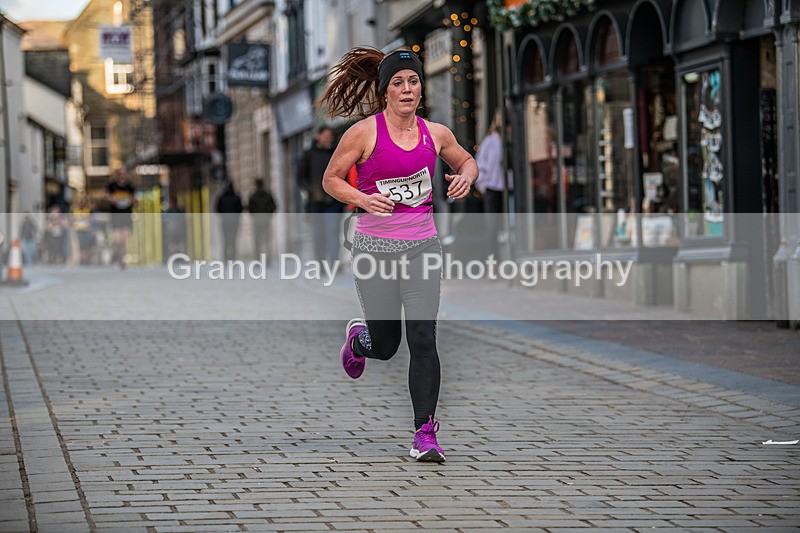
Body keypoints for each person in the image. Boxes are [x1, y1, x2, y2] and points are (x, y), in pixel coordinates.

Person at [320, 47, 478, 462]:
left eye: (413, 81)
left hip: (422, 248)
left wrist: (465, 177)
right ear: (385, 91)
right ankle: (361, 340)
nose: (407, 89)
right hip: (374, 251)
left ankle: (425, 433)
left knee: (423, 338)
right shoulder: (363, 133)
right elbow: (330, 179)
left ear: (420, 89)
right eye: (397, 83)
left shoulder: (436, 133)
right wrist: (363, 200)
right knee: (387, 346)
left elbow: (467, 160)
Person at [297, 125, 343, 264]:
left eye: (331, 136)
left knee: (333, 231)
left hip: (334, 201)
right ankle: (321, 263)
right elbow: (300, 177)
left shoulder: (337, 153)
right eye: (326, 136)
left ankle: (334, 263)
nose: (329, 138)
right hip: (315, 202)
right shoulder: (308, 154)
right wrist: (310, 190)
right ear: (318, 136)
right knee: (318, 234)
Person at [474, 111, 513, 262]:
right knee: (492, 228)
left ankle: (511, 259)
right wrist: (483, 185)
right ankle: (493, 262)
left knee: (511, 225)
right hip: (492, 189)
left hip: (509, 189)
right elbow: (480, 166)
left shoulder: (512, 141)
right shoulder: (490, 142)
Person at [105, 167, 136, 268]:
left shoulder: (130, 186)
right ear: (118, 175)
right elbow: (105, 196)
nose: (122, 176)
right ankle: (116, 254)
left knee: (125, 239)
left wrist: (133, 200)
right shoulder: (112, 186)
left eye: (124, 173)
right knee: (118, 240)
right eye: (120, 174)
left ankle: (122, 260)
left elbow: (135, 198)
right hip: (116, 215)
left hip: (126, 215)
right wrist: (111, 199)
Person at [247, 178, 277, 264]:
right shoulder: (268, 195)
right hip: (266, 220)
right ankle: (267, 260)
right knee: (267, 241)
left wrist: (255, 215)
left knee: (257, 241)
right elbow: (274, 206)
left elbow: (250, 208)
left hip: (257, 221)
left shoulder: (253, 196)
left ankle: (258, 260)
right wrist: (268, 214)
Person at [215, 180, 243, 262]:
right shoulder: (236, 197)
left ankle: (225, 258)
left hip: (225, 221)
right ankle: (232, 258)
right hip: (234, 222)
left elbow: (218, 209)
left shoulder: (222, 197)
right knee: (233, 241)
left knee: (225, 240)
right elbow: (240, 209)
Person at [72, 196, 96, 265]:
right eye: (79, 201)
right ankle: (81, 259)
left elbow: (92, 220)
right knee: (81, 246)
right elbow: (72, 220)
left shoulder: (88, 210)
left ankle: (86, 259)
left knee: (87, 246)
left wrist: (92, 229)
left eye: (82, 201)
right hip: (79, 230)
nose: (81, 203)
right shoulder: (75, 210)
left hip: (87, 230)